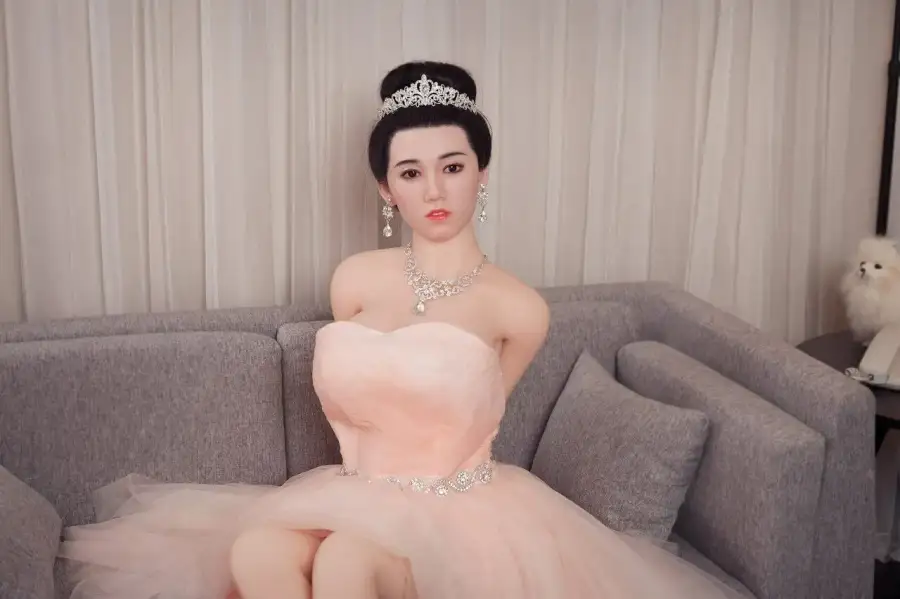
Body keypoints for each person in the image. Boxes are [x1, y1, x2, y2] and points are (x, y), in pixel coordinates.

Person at [58, 61, 746, 599]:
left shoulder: (518, 309)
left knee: (346, 562)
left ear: (481, 173)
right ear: (387, 189)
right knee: (254, 550)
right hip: (354, 489)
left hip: (460, 512)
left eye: (453, 167)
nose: (435, 191)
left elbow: (481, 412)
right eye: (411, 173)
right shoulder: (354, 281)